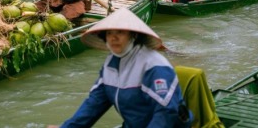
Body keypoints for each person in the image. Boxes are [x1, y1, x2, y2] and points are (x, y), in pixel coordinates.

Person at [60, 8, 190, 127]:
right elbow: (93, 105)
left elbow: (167, 113)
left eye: (120, 32)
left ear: (133, 35)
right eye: (109, 33)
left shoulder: (153, 65)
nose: (113, 37)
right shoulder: (110, 64)